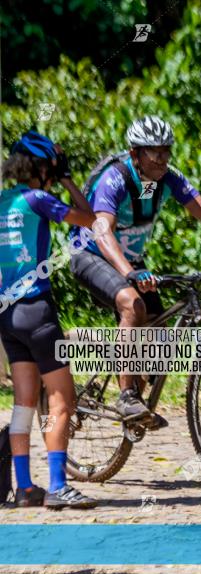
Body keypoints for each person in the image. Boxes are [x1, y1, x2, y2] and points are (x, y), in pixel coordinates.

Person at [69, 115, 201, 422]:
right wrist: (130, 272)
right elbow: (103, 232)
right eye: (153, 151)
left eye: (166, 150)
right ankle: (126, 396)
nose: (161, 158)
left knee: (157, 333)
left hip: (130, 262)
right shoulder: (115, 179)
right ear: (135, 154)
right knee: (133, 305)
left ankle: (136, 406)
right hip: (93, 254)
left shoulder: (169, 178)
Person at [1, 130, 102, 508]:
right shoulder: (39, 199)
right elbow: (90, 220)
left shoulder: (1, 202)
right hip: (38, 311)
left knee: (24, 403)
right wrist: (67, 180)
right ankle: (59, 485)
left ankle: (26, 487)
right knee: (62, 401)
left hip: (8, 317)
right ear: (43, 169)